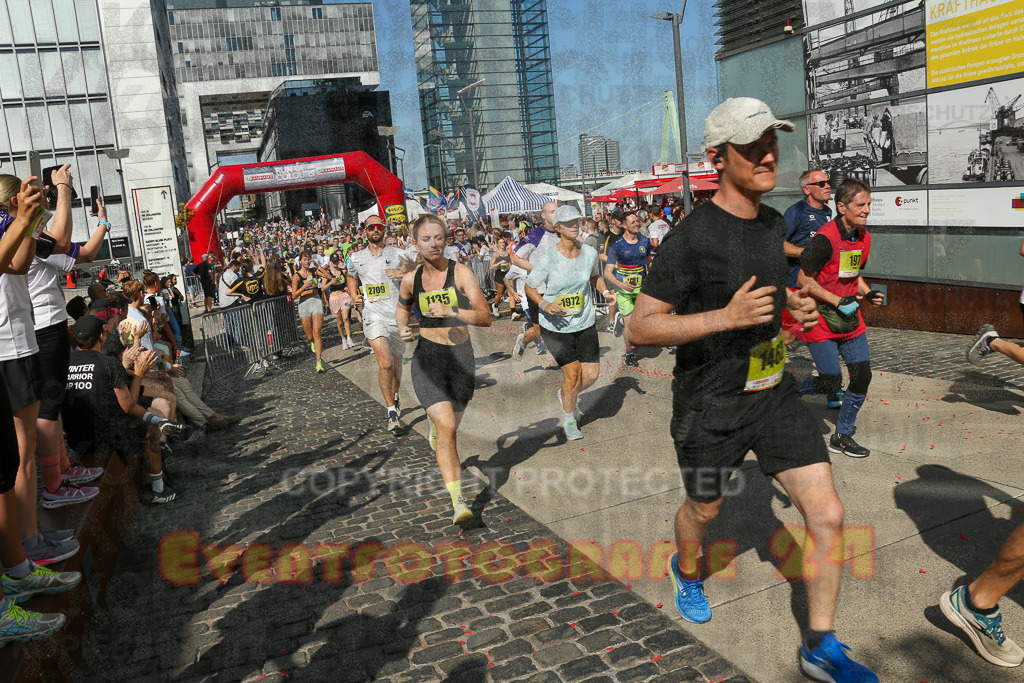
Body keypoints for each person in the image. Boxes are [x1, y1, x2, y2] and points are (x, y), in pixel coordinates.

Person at [628, 97, 877, 682]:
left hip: (773, 390)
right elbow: (641, 327)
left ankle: (819, 644)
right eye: (752, 146)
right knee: (704, 508)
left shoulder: (770, 224)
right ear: (718, 157)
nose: (769, 155)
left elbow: (766, 296)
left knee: (829, 514)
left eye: (773, 142)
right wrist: (725, 317)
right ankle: (685, 570)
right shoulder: (690, 237)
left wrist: (788, 304)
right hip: (709, 404)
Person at [0, 171, 82, 566]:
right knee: (20, 453)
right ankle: (26, 545)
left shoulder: (12, 226)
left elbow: (16, 264)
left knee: (23, 451)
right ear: (12, 200)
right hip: (9, 345)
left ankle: (30, 534)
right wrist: (24, 218)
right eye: (25, 196)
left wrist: (29, 220)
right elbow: (12, 261)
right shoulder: (4, 224)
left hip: (21, 340)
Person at [396, 214, 491, 524]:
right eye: (426, 238)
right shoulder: (411, 279)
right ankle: (458, 501)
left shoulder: (461, 273)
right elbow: (402, 308)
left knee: (451, 428)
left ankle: (438, 431)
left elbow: (485, 316)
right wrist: (403, 329)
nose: (433, 243)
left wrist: (453, 310)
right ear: (416, 243)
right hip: (428, 359)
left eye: (438, 237)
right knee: (448, 430)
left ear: (447, 239)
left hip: (461, 360)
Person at [27, 195, 110, 508]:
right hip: (43, 326)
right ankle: (54, 484)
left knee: (54, 401)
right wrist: (100, 220)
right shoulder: (34, 239)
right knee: (48, 407)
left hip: (46, 324)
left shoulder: (32, 237)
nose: (50, 220)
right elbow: (85, 253)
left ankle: (62, 468)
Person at [794, 178, 884, 458]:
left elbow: (851, 275)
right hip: (819, 318)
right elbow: (803, 280)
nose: (867, 209)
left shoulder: (863, 237)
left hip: (849, 319)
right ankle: (790, 390)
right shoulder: (824, 239)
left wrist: (867, 294)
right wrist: (836, 300)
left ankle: (842, 434)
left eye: (869, 204)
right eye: (861, 205)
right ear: (842, 207)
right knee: (831, 381)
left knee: (861, 376)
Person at [524, 206, 613, 440]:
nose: (575, 225)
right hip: (556, 326)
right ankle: (569, 419)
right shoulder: (549, 258)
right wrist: (545, 305)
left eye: (577, 220)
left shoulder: (589, 253)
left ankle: (565, 394)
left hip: (584, 322)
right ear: (558, 228)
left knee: (591, 375)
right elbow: (530, 286)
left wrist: (605, 292)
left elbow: (594, 276)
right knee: (572, 375)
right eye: (568, 222)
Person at [346, 215, 413, 431]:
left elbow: (418, 272)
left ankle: (395, 395)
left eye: (379, 227)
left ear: (384, 230)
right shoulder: (356, 257)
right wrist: (354, 294)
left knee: (395, 365)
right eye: (371, 227)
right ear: (364, 231)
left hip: (396, 316)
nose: (376, 230)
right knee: (385, 364)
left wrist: (401, 273)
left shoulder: (398, 253)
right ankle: (391, 412)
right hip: (373, 316)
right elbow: (350, 276)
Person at [783, 169, 834, 349]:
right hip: (794, 286)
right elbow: (778, 245)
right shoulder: (796, 211)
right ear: (807, 190)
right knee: (787, 338)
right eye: (821, 184)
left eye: (828, 182)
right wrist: (805, 253)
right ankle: (761, 370)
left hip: (815, 283)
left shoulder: (827, 212)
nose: (827, 186)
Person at [509, 201, 559, 360]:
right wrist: (536, 269)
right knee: (539, 330)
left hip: (559, 288)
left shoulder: (564, 233)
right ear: (543, 215)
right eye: (552, 212)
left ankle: (566, 357)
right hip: (538, 289)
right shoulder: (535, 235)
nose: (556, 214)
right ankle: (523, 341)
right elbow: (515, 258)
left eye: (558, 211)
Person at [605, 211, 652, 368]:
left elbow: (649, 263)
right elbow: (607, 272)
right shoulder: (617, 246)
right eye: (633, 222)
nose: (637, 224)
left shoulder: (645, 241)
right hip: (624, 291)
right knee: (630, 323)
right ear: (624, 225)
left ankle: (620, 320)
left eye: (637, 221)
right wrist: (622, 285)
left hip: (642, 289)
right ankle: (629, 353)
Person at [292, 251, 329, 373]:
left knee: (317, 333)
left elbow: (329, 277)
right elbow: (294, 295)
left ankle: (318, 362)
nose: (307, 262)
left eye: (308, 259)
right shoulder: (297, 276)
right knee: (309, 336)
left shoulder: (314, 271)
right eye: (305, 260)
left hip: (316, 301)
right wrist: (304, 286)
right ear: (300, 261)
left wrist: (318, 266)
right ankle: (311, 341)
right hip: (304, 303)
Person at [326, 252, 355, 350]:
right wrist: (330, 282)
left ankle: (349, 338)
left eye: (336, 261)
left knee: (346, 318)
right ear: (331, 261)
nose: (335, 263)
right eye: (333, 261)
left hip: (344, 295)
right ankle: (343, 339)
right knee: (339, 323)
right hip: (334, 297)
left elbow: (348, 281)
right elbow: (322, 288)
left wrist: (348, 288)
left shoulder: (342, 271)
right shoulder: (327, 273)